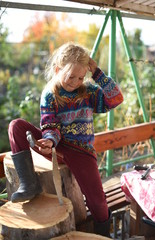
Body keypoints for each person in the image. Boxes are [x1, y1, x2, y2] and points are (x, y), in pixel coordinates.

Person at [8, 42, 123, 237]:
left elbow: (116, 99)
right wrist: (50, 141)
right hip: (55, 147)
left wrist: (97, 73)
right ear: (57, 69)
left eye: (81, 77)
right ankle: (28, 184)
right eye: (71, 76)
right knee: (16, 126)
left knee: (97, 201)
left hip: (81, 151)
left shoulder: (88, 92)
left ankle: (103, 233)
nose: (76, 82)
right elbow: (50, 124)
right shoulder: (49, 95)